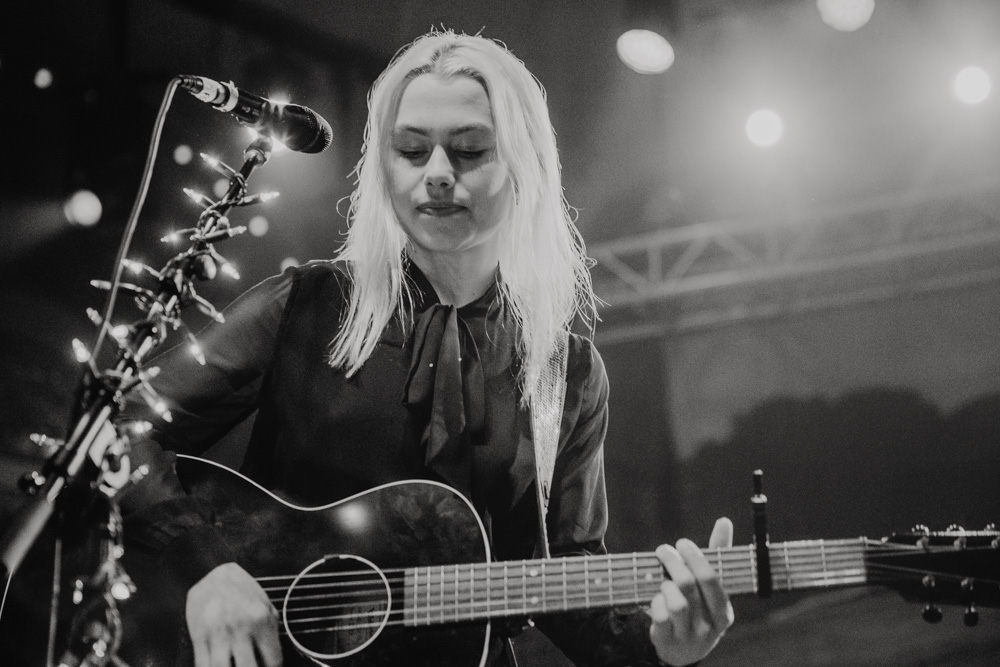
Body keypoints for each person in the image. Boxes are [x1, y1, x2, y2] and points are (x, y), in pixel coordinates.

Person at [121, 29, 734, 667]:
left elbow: (567, 577)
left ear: (523, 166)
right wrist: (207, 568)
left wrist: (666, 646)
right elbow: (118, 431)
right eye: (411, 150)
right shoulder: (306, 304)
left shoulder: (566, 369)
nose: (437, 174)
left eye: (469, 150)